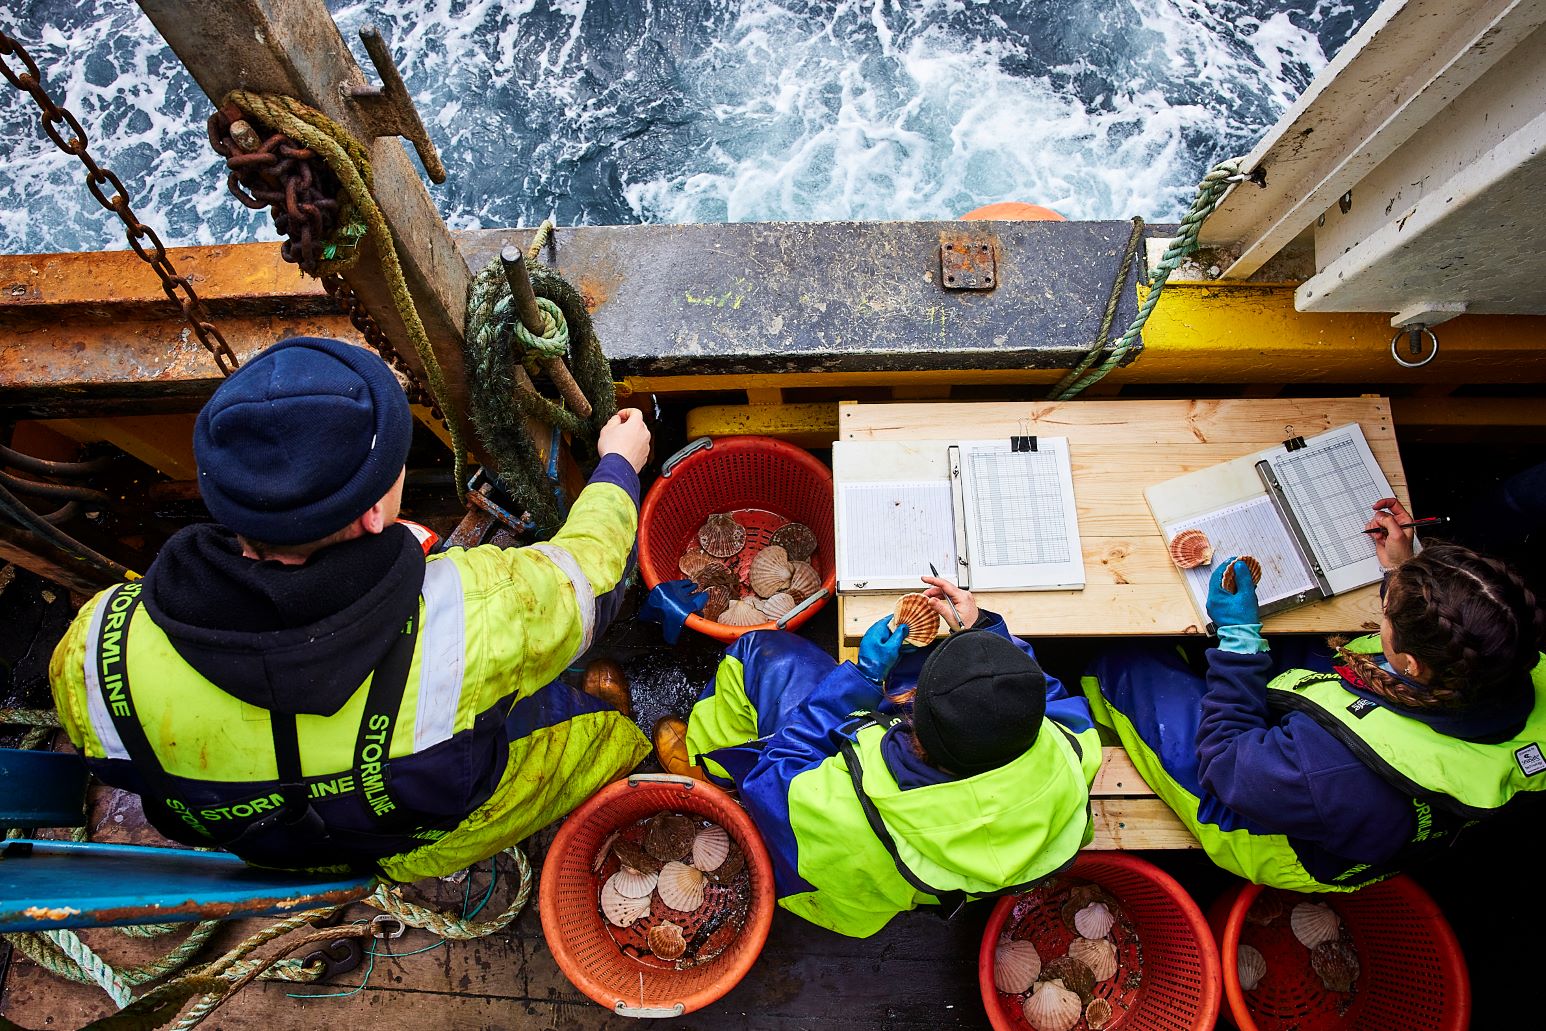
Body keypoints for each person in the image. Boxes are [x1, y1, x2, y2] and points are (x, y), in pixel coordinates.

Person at [48, 336, 651, 880]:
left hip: (274, 847)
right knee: (597, 732)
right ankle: (622, 743)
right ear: (373, 514)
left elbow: (120, 768)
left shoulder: (95, 645)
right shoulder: (474, 610)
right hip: (423, 840)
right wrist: (619, 461)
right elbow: (591, 579)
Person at [1082, 497, 1546, 892]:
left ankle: (1105, 699)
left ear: (1412, 665)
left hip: (1266, 813)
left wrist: (1241, 641)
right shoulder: (1506, 656)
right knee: (1295, 636)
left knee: (1124, 658)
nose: (1382, 611)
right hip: (1335, 777)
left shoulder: (1332, 772)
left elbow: (1227, 761)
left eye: (1385, 612)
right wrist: (1404, 573)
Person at [655, 577, 1101, 937]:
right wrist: (982, 634)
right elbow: (1046, 697)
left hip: (820, 875)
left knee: (760, 653)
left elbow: (774, 777)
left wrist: (863, 678)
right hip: (928, 880)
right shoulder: (1074, 751)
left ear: (913, 726)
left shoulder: (844, 807)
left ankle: (709, 764)